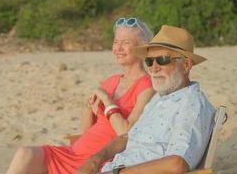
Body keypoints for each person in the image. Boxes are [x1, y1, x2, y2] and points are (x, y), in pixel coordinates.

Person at [6, 17, 155, 174]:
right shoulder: (111, 81)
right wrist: (88, 106)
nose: (118, 48)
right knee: (25, 153)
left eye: (125, 43)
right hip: (74, 153)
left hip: (100, 159)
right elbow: (87, 130)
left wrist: (107, 100)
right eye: (116, 42)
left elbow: (126, 133)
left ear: (141, 48)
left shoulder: (146, 86)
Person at [78, 25, 215, 174]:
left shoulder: (191, 104)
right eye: (149, 61)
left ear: (186, 65)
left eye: (163, 60)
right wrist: (96, 159)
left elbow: (177, 164)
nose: (153, 69)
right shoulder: (160, 97)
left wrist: (118, 172)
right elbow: (127, 137)